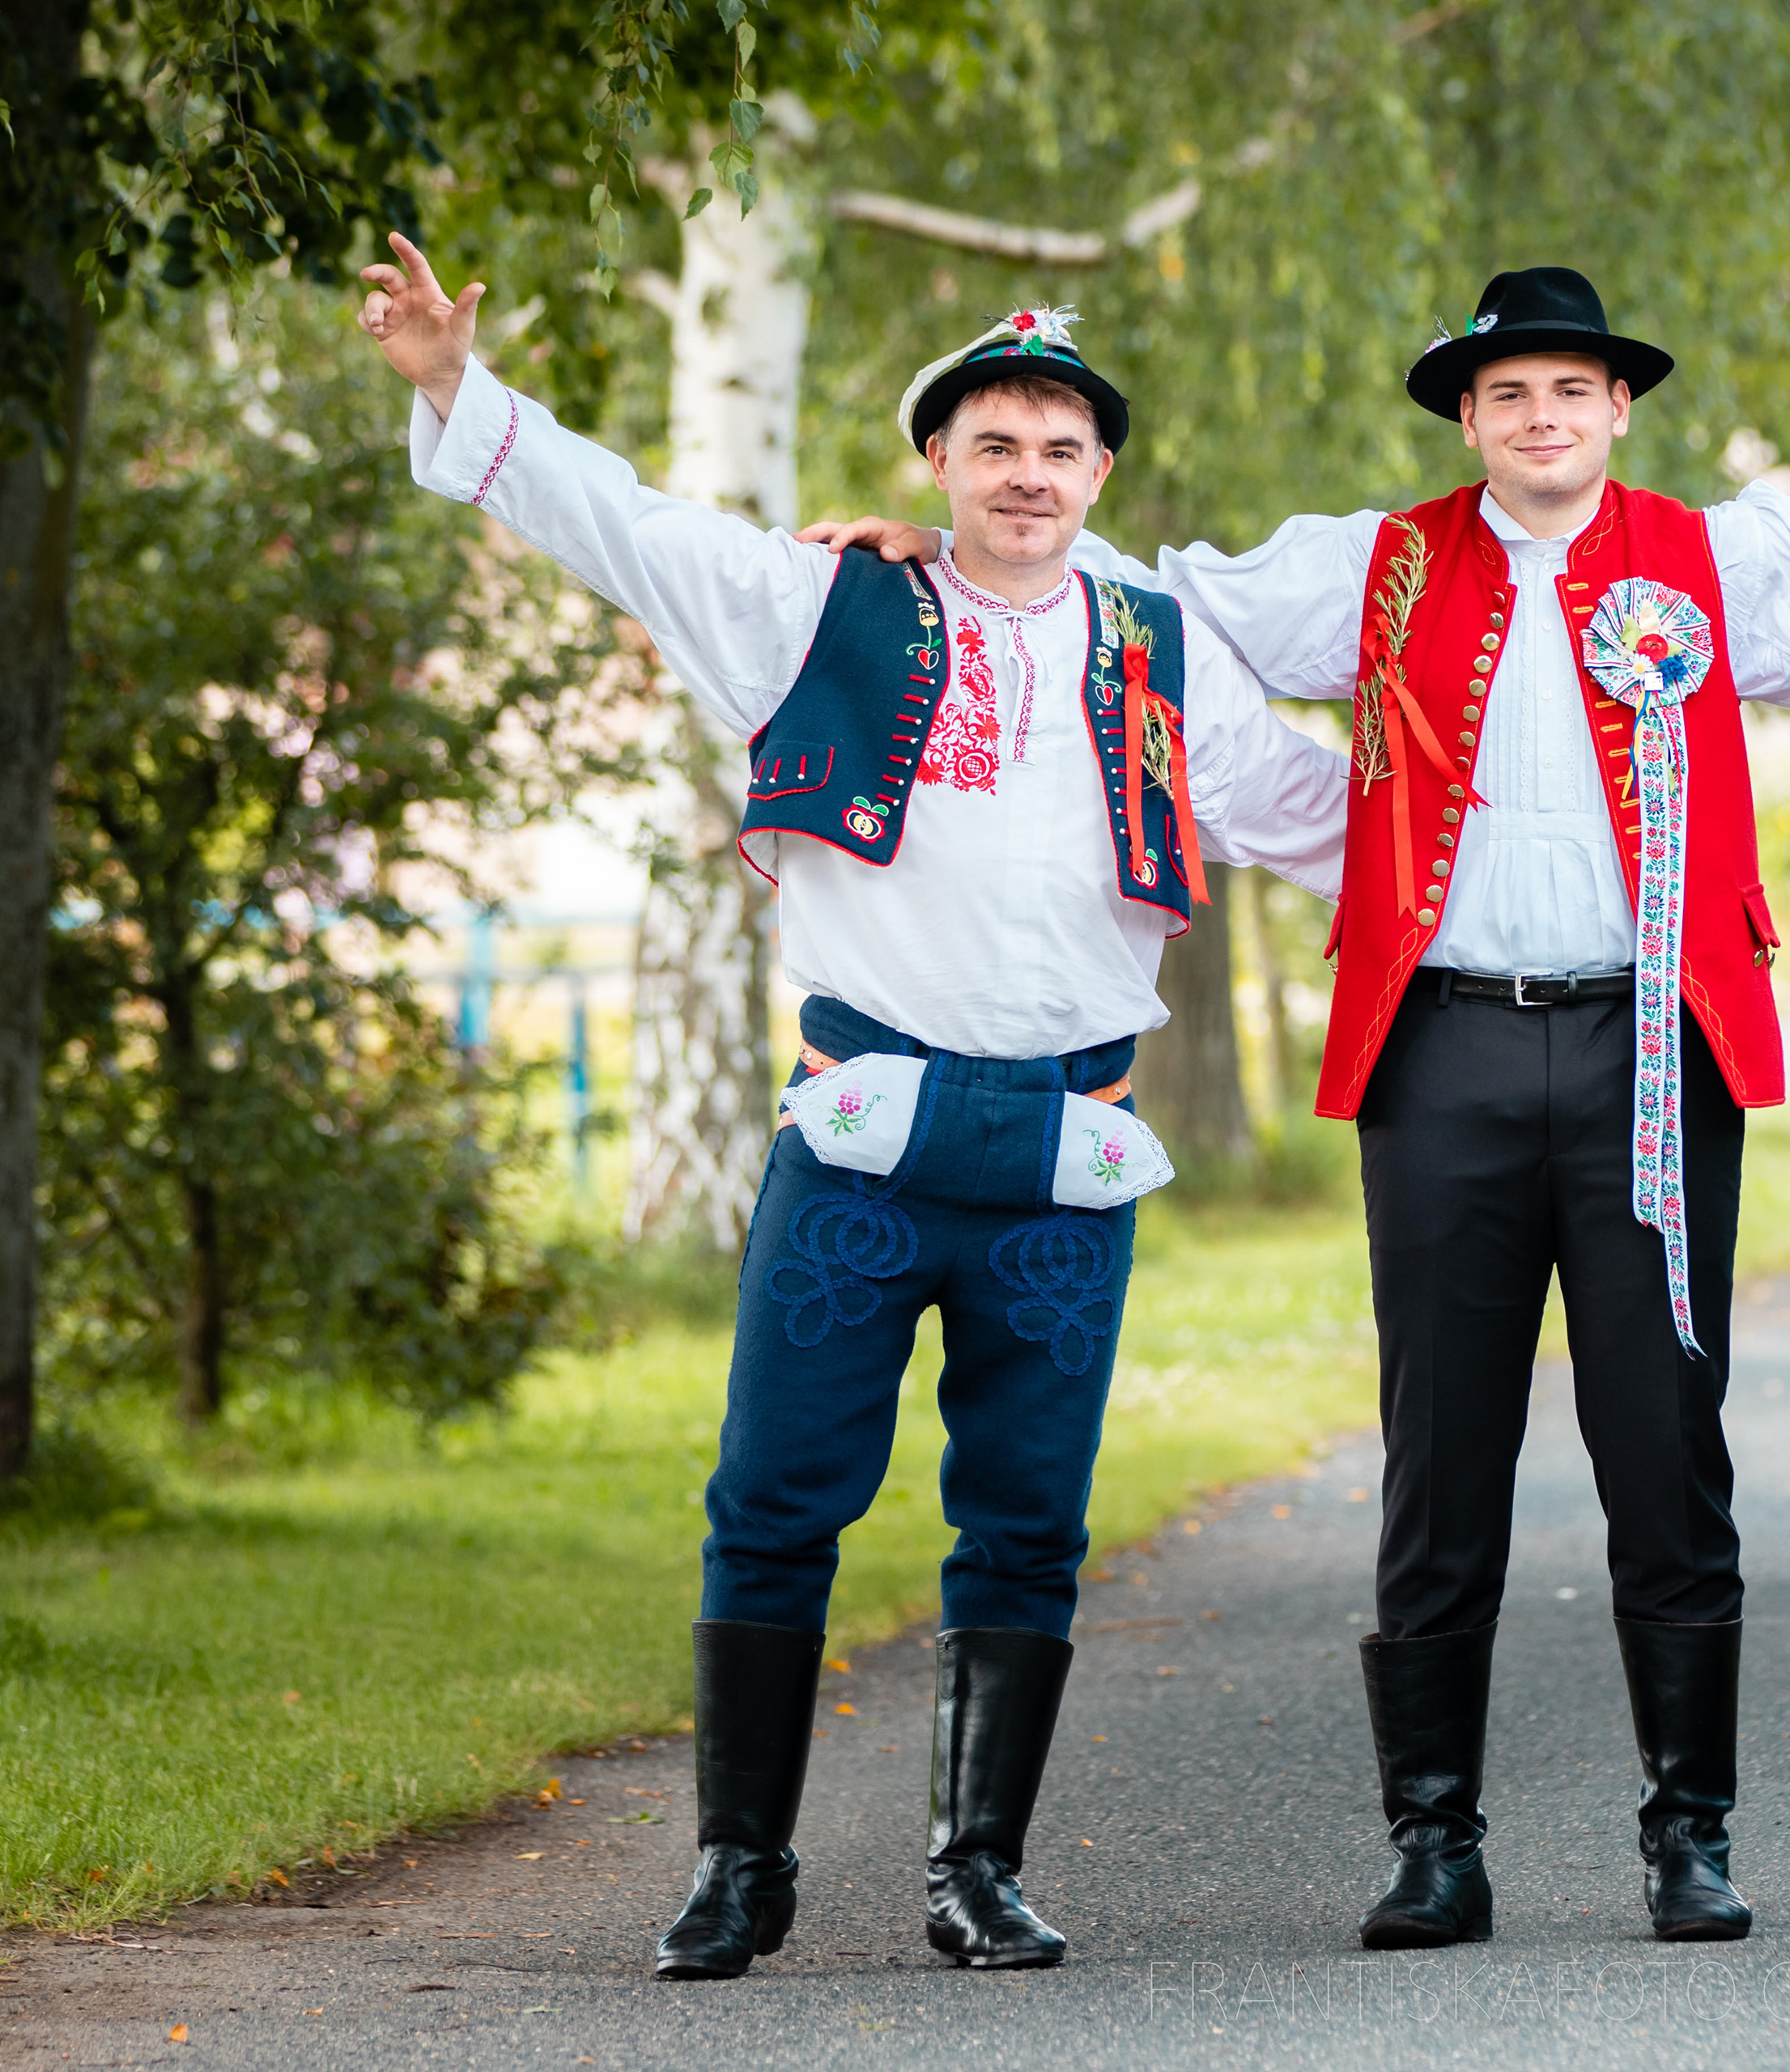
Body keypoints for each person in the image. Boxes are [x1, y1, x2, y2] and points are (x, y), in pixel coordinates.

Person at [813, 266, 1790, 1949]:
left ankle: (1689, 1834)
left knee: (1666, 1441)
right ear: (1468, 415)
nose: (1542, 417)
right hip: (1444, 1051)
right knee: (1441, 1451)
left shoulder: (1724, 557)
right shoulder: (1375, 563)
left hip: (1655, 1041)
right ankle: (1434, 1841)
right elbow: (1167, 600)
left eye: (1572, 389)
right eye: (1508, 392)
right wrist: (957, 549)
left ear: (1618, 408)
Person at [354, 235, 1348, 1980]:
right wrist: (457, 385)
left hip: (1066, 1157)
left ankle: (979, 1870)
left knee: (1029, 1519)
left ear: (1101, 478)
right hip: (861, 1140)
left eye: (1061, 449)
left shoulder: (1165, 654)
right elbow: (628, 525)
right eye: (994, 445)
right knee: (774, 1495)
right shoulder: (824, 605)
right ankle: (739, 1867)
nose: (1027, 475)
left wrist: (1579, 870)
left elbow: (1338, 817)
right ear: (936, 462)